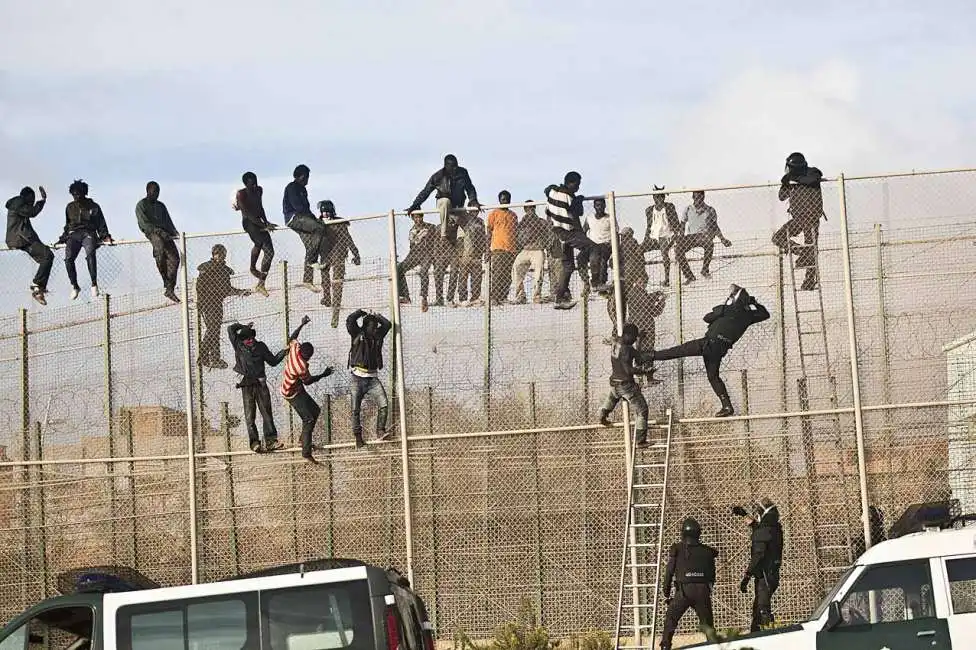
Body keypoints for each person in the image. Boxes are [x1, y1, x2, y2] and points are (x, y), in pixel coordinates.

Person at [649, 284, 769, 417]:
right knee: (713, 376)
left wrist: (722, 311)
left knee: (679, 351)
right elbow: (765, 314)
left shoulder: (726, 309)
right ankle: (727, 406)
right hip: (719, 350)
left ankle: (651, 356)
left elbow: (707, 318)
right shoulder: (748, 316)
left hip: (708, 344)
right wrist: (754, 302)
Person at [228, 320, 292, 453]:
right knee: (249, 416)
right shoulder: (239, 346)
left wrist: (284, 352)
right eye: (246, 339)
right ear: (242, 340)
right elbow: (230, 329)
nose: (250, 341)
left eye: (251, 338)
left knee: (266, 414)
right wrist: (244, 326)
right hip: (246, 385)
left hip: (260, 384)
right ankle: (254, 443)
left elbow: (273, 361)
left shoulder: (261, 346)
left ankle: (270, 441)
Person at [545, 172, 607, 310]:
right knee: (594, 248)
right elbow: (577, 212)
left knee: (568, 266)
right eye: (577, 185)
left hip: (556, 233)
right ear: (571, 183)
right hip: (567, 232)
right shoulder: (568, 196)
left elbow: (547, 189)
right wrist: (578, 200)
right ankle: (596, 282)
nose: (578, 188)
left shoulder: (553, 191)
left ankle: (560, 298)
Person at [281, 315, 334, 464]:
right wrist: (324, 374)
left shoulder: (295, 348)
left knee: (315, 410)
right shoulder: (301, 366)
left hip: (296, 387)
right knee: (308, 418)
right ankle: (306, 451)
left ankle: (303, 440)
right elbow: (309, 381)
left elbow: (293, 337)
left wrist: (301, 324)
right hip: (291, 392)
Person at [660, 518, 718, 650]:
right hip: (702, 591)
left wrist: (666, 591)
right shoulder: (707, 551)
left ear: (683, 533)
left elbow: (669, 571)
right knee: (708, 625)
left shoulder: (677, 549)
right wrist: (708, 589)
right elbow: (712, 575)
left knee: (671, 619)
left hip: (684, 592)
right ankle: (714, 646)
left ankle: (665, 646)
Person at [598, 324, 658, 447]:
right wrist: (645, 372)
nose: (635, 339)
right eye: (634, 337)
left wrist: (640, 339)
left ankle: (602, 415)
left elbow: (636, 356)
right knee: (642, 410)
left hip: (615, 382)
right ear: (628, 335)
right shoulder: (627, 349)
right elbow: (629, 370)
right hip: (626, 385)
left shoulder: (616, 342)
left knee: (612, 398)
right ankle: (640, 441)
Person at [772, 152, 825, 291]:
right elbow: (781, 197)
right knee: (777, 237)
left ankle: (809, 280)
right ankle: (801, 251)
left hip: (812, 218)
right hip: (798, 219)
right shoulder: (789, 179)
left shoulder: (812, 173)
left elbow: (813, 178)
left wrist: (795, 181)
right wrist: (785, 183)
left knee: (812, 246)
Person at [733, 498, 784, 632]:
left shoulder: (764, 532)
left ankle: (771, 638)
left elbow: (758, 556)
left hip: (764, 577)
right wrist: (744, 515)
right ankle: (754, 636)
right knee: (757, 610)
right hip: (772, 575)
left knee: (762, 610)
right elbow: (758, 527)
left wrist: (746, 576)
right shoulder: (775, 529)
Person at [197, 244, 250, 370]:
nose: (220, 256)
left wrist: (240, 292)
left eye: (222, 254)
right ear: (213, 254)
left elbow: (225, 289)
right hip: (209, 303)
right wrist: (201, 303)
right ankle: (205, 357)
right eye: (217, 254)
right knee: (213, 330)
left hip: (215, 303)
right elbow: (201, 287)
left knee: (214, 330)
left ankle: (213, 358)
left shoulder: (223, 270)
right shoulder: (208, 269)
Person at [58, 180, 113, 300]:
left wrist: (105, 236)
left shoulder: (94, 206)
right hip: (74, 234)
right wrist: (63, 237)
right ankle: (75, 286)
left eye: (78, 194)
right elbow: (67, 225)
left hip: (88, 233)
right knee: (68, 259)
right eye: (73, 194)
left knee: (90, 254)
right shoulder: (70, 207)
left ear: (84, 193)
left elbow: (101, 223)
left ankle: (94, 284)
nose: (76, 197)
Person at [347, 308, 393, 448]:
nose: (375, 329)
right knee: (355, 410)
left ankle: (380, 431)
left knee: (384, 404)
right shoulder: (357, 333)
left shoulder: (378, 336)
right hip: (357, 378)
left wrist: (376, 316)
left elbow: (387, 325)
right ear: (366, 326)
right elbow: (350, 320)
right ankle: (358, 438)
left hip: (373, 379)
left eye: (375, 327)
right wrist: (360, 312)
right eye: (372, 327)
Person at [283, 164, 332, 293]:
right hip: (295, 218)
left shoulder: (303, 190)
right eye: (307, 177)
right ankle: (312, 260)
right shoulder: (292, 187)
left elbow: (307, 208)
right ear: (301, 177)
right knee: (319, 228)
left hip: (303, 218)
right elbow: (298, 207)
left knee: (311, 246)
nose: (308, 180)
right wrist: (312, 219)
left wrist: (313, 217)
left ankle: (307, 280)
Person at [406, 154, 480, 240]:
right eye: (452, 166)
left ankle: (468, 253)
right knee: (446, 201)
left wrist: (473, 200)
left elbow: (470, 188)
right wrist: (414, 205)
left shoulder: (463, 173)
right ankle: (443, 233)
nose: (455, 168)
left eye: (456, 166)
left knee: (471, 228)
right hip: (443, 204)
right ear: (446, 166)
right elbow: (426, 191)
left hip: (458, 208)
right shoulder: (438, 176)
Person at [5, 185, 52, 305]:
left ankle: (38, 288)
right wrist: (42, 201)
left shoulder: (18, 204)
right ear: (28, 197)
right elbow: (33, 212)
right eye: (32, 200)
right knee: (47, 255)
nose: (32, 203)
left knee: (45, 258)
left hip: (20, 238)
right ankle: (37, 286)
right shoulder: (19, 203)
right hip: (21, 239)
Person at [136, 181, 181, 303]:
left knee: (175, 258)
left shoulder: (161, 206)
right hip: (153, 233)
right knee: (159, 249)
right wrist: (158, 231)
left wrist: (174, 232)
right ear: (148, 191)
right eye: (154, 191)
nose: (156, 194)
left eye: (158, 192)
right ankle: (165, 280)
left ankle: (170, 288)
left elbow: (168, 221)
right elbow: (144, 224)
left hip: (166, 233)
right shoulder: (141, 205)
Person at [233, 171, 277, 297]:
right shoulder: (241, 194)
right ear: (246, 184)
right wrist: (264, 225)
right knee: (258, 242)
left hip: (260, 222)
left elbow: (260, 207)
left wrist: (266, 221)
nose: (254, 186)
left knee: (270, 252)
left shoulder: (259, 190)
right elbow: (247, 214)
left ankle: (261, 283)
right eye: (251, 185)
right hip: (249, 223)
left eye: (255, 183)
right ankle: (252, 268)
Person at [317, 201, 361, 323]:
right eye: (323, 212)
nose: (325, 214)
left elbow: (348, 239)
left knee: (337, 283)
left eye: (327, 212)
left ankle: (335, 312)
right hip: (326, 253)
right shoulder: (318, 223)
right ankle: (326, 297)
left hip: (338, 253)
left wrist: (356, 254)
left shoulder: (339, 223)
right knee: (324, 274)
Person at [642, 186, 692, 287]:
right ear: (653, 198)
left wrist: (674, 237)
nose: (658, 200)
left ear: (664, 197)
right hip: (653, 236)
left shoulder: (669, 207)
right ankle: (642, 278)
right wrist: (645, 239)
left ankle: (667, 279)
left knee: (665, 253)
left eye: (661, 197)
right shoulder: (649, 210)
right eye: (656, 197)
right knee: (638, 250)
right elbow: (649, 226)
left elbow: (676, 224)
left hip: (666, 235)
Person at [676, 191, 731, 280]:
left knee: (709, 243)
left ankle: (705, 270)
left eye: (700, 197)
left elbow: (715, 226)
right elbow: (682, 224)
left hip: (704, 235)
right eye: (696, 197)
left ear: (703, 197)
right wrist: (681, 237)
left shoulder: (710, 209)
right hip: (691, 236)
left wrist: (722, 239)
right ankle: (689, 276)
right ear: (693, 197)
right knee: (678, 249)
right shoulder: (688, 209)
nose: (698, 200)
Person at [397, 212, 438, 311]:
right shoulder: (412, 230)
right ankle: (404, 296)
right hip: (414, 254)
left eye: (419, 217)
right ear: (413, 218)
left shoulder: (430, 227)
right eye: (415, 217)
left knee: (423, 271)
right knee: (399, 268)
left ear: (422, 217)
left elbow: (435, 242)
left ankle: (424, 298)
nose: (418, 219)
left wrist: (433, 256)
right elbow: (411, 247)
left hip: (427, 254)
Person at [511, 200, 549, 304]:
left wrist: (543, 244)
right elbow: (518, 238)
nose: (530, 210)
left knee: (538, 272)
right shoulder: (522, 223)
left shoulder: (541, 222)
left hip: (537, 249)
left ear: (534, 208)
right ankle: (521, 295)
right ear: (525, 209)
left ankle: (537, 295)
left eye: (532, 208)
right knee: (516, 267)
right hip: (525, 249)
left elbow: (546, 235)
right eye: (528, 208)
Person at [486, 190, 518, 306]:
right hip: (498, 248)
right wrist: (487, 249)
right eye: (503, 199)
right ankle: (494, 297)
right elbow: (489, 231)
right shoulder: (494, 213)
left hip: (511, 249)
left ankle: (503, 296)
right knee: (497, 274)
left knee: (507, 275)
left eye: (507, 199)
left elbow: (515, 233)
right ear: (499, 200)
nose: (505, 201)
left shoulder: (513, 215)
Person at [456, 213, 486, 307]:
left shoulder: (480, 221)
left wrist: (482, 251)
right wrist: (460, 254)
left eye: (476, 210)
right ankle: (463, 298)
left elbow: (482, 238)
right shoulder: (463, 220)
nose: (474, 212)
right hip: (465, 253)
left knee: (477, 276)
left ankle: (475, 297)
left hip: (476, 254)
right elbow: (459, 239)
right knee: (463, 276)